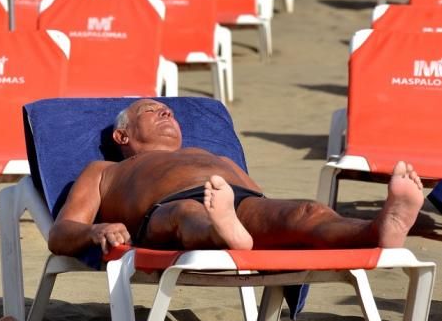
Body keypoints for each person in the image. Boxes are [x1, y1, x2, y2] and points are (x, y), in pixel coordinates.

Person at [48, 98, 424, 257]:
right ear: (122, 136)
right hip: (165, 211)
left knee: (307, 212)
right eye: (152, 110)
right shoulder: (104, 170)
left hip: (238, 204)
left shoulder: (209, 154)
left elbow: (257, 197)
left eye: (170, 112)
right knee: (188, 215)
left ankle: (378, 231)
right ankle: (221, 230)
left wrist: (271, 219)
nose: (167, 114)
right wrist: (94, 231)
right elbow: (60, 232)